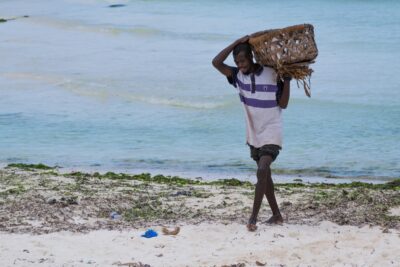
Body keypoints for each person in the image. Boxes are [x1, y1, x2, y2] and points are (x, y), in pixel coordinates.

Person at [212, 35, 291, 231]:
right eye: (237, 62)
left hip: (272, 130)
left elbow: (283, 104)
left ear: (251, 58)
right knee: (266, 177)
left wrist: (287, 81)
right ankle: (277, 215)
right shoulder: (237, 77)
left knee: (263, 170)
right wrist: (236, 43)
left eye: (243, 61)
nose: (240, 65)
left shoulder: (272, 73)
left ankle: (253, 218)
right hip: (254, 134)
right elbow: (216, 62)